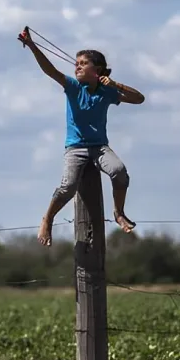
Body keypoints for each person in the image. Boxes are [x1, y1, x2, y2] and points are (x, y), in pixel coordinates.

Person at [19, 27, 145, 246]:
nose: (77, 66)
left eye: (83, 63)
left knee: (119, 172)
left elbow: (139, 99)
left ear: (97, 70)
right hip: (75, 148)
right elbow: (50, 70)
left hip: (99, 147)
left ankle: (119, 213)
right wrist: (31, 45)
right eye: (76, 63)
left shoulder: (108, 92)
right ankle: (47, 218)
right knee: (68, 187)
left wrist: (115, 84)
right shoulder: (74, 87)